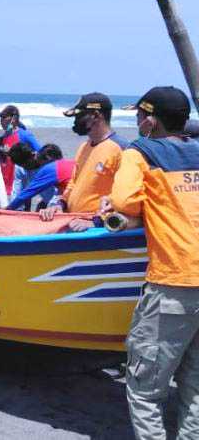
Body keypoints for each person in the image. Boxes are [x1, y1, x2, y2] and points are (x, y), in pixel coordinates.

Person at [106, 86, 199, 439]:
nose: (136, 121)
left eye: (139, 115)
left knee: (145, 389)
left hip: (174, 285)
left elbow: (124, 201)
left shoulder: (141, 152)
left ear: (150, 119)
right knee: (194, 385)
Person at [40, 93, 128, 231]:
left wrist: (98, 221)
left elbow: (125, 196)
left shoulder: (120, 149)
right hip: (75, 221)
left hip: (98, 228)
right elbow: (73, 183)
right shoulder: (84, 147)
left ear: (96, 115)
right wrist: (61, 204)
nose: (76, 121)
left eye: (80, 116)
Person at [7, 143, 74, 211]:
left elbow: (28, 192)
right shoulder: (67, 163)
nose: (25, 168)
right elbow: (19, 192)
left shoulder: (49, 168)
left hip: (69, 201)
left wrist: (7, 209)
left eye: (25, 164)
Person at [0, 105, 41, 198]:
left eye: (4, 117)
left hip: (21, 186)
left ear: (14, 119)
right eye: (0, 118)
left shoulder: (24, 135)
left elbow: (41, 153)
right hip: (3, 188)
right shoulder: (1, 139)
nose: (1, 121)